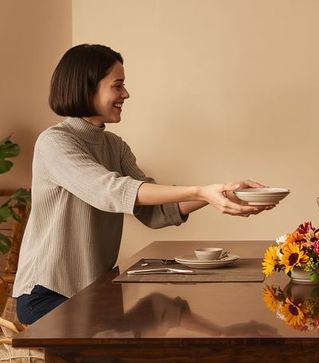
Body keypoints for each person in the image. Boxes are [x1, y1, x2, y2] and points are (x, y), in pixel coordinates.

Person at [13, 44, 276, 325]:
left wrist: (223, 192)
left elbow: (155, 211)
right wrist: (201, 190)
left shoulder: (115, 145)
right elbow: (110, 191)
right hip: (47, 294)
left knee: (161, 312)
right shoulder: (55, 142)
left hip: (91, 292)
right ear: (87, 88)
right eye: (118, 85)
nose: (126, 94)